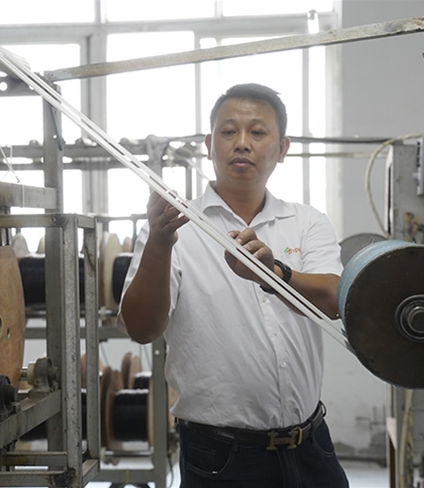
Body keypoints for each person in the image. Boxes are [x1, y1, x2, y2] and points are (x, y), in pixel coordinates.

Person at [118, 83, 349, 487]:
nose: (242, 142)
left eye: (257, 132)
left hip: (311, 446)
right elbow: (141, 328)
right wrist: (159, 243)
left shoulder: (307, 222)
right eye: (228, 131)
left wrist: (274, 275)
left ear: (282, 148)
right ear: (209, 145)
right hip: (221, 457)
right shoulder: (177, 227)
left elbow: (333, 299)